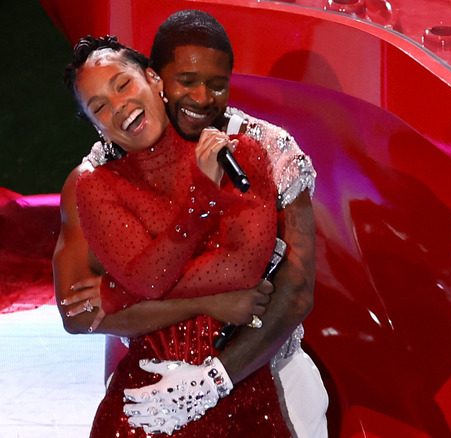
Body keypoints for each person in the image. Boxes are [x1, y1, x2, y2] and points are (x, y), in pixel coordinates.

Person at [53, 10, 328, 437]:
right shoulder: (95, 178)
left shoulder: (262, 148)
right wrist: (207, 303)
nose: (201, 98)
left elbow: (292, 292)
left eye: (216, 84)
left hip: (268, 367)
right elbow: (79, 313)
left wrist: (215, 378)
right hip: (149, 388)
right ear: (159, 78)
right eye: (187, 81)